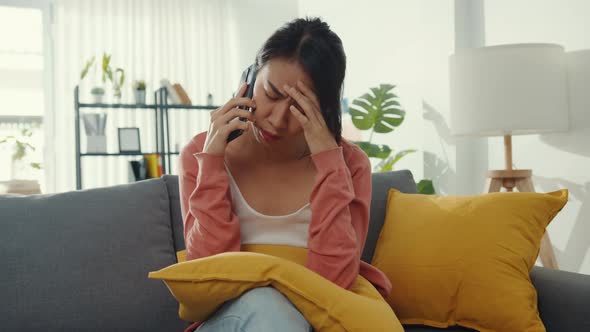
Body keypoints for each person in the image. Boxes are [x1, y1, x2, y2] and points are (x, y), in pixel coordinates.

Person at [179, 17, 392, 332]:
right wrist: (212, 161)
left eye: (300, 106)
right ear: (250, 79)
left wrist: (330, 165)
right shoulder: (202, 153)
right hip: (230, 320)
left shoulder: (350, 165)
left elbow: (332, 285)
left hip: (313, 319)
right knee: (268, 307)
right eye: (272, 94)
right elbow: (208, 274)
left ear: (326, 108)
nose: (278, 120)